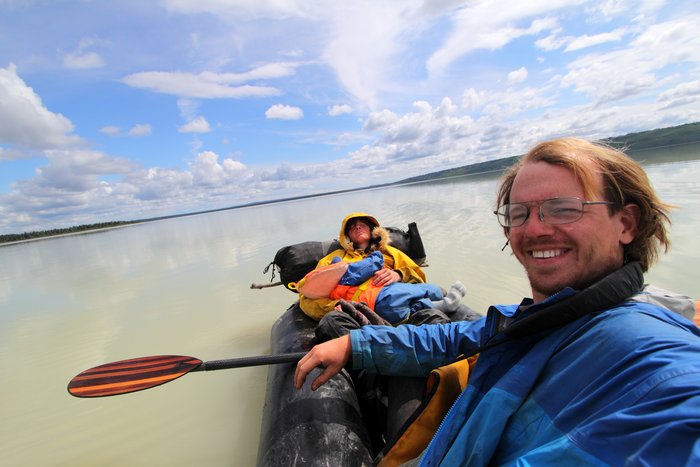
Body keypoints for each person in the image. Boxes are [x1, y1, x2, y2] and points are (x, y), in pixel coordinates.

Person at [294, 137, 700, 466]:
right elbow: (456, 338)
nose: (536, 228)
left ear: (625, 224)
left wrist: (396, 275)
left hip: (404, 298)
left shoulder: (657, 362)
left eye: (563, 209)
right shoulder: (542, 320)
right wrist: (354, 342)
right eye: (518, 213)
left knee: (419, 307)